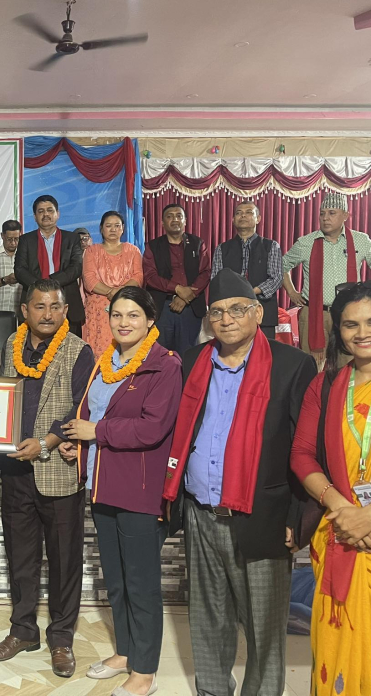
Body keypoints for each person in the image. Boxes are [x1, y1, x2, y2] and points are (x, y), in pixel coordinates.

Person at [162, 269, 317, 696]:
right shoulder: (193, 362)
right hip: (200, 512)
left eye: (236, 309)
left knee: (264, 625)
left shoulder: (292, 365)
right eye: (216, 312)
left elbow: (304, 447)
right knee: (208, 616)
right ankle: (212, 690)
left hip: (262, 515)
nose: (226, 319)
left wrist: (297, 516)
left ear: (258, 312)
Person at [61, 286, 181, 695]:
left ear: (150, 320)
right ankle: (126, 652)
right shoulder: (105, 360)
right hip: (100, 484)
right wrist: (78, 442)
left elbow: (152, 427)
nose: (124, 322)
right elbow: (90, 413)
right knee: (116, 579)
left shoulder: (164, 365)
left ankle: (144, 670)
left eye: (133, 315)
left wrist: (96, 432)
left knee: (141, 583)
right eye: (116, 315)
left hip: (138, 488)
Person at [0, 278, 95, 678]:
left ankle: (61, 638)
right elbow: (3, 399)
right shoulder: (12, 345)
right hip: (15, 469)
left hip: (58, 469)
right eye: (39, 306)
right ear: (25, 310)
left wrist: (45, 443)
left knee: (65, 559)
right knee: (21, 556)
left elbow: (81, 408)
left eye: (55, 307)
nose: (47, 314)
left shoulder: (79, 351)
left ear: (66, 311)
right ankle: (23, 630)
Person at [290, 282, 371, 696]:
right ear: (337, 330)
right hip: (340, 533)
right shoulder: (326, 385)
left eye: (370, 322)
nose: (362, 333)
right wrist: (342, 507)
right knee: (336, 656)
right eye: (350, 324)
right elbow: (302, 454)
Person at [283, 192, 371, 370]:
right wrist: (291, 292)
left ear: (345, 215)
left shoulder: (361, 240)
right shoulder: (306, 242)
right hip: (315, 314)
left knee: (349, 367)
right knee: (312, 368)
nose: (325, 218)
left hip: (349, 312)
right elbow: (281, 266)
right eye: (322, 213)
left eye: (332, 213)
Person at [143, 203, 210, 354]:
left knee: (188, 353)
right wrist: (177, 289)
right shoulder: (152, 246)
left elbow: (205, 272)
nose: (175, 219)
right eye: (170, 216)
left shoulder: (198, 243)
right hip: (162, 308)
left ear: (185, 221)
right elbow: (150, 276)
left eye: (179, 216)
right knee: (160, 354)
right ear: (162, 222)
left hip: (191, 307)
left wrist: (186, 297)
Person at [211, 201, 282, 341]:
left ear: (258, 219)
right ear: (233, 220)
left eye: (249, 212)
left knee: (263, 352)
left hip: (263, 312)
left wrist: (250, 292)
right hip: (230, 315)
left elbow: (276, 278)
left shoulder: (271, 246)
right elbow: (216, 279)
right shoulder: (222, 249)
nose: (243, 216)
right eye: (239, 213)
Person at [14, 195, 85, 336]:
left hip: (67, 302)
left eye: (50, 210)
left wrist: (51, 283)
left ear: (57, 214)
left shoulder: (72, 239)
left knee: (70, 347)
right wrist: (40, 287)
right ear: (35, 217)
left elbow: (76, 267)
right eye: (41, 211)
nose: (45, 214)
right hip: (35, 302)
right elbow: (19, 270)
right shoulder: (25, 240)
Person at [82, 211, 143, 358]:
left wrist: (118, 293)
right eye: (109, 226)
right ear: (101, 228)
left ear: (123, 229)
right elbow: (89, 279)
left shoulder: (133, 251)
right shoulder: (92, 251)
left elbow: (138, 277)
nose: (113, 229)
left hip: (127, 306)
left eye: (117, 226)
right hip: (98, 310)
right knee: (99, 352)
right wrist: (112, 292)